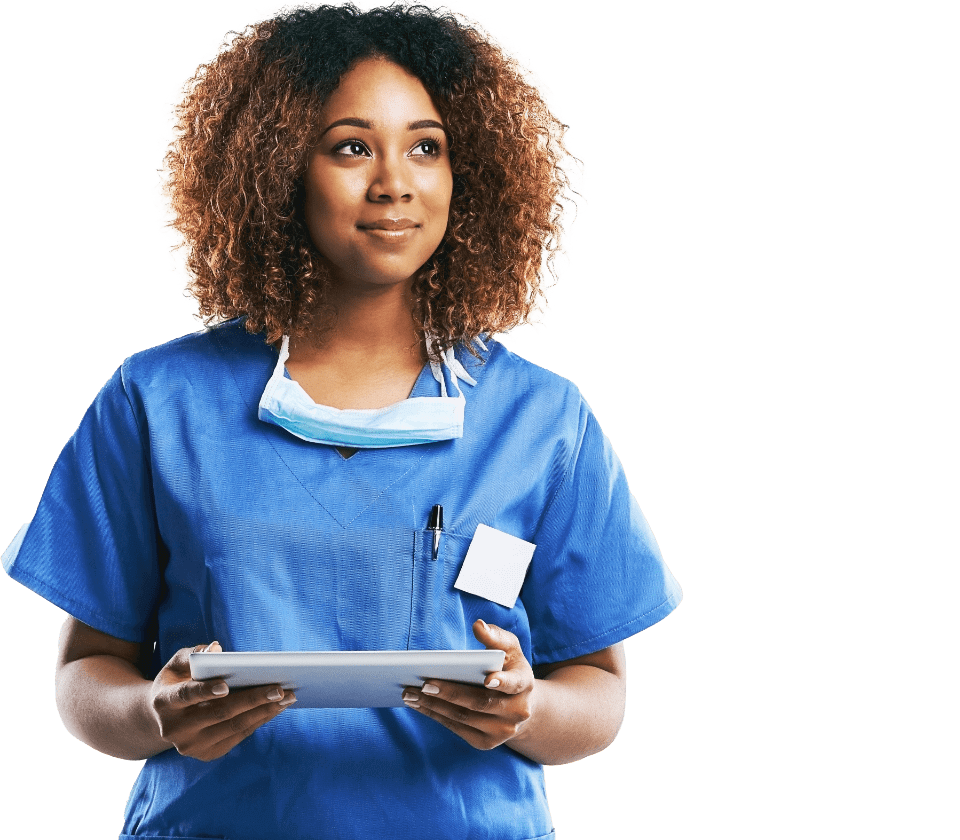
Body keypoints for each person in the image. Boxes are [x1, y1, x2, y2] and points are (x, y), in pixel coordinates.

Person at [2, 1, 682, 837]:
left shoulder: (543, 420)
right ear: (278, 167)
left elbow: (600, 694)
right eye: (351, 147)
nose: (394, 182)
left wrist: (526, 710)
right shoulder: (157, 401)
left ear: (471, 173)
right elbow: (84, 673)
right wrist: (154, 713)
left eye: (427, 147)